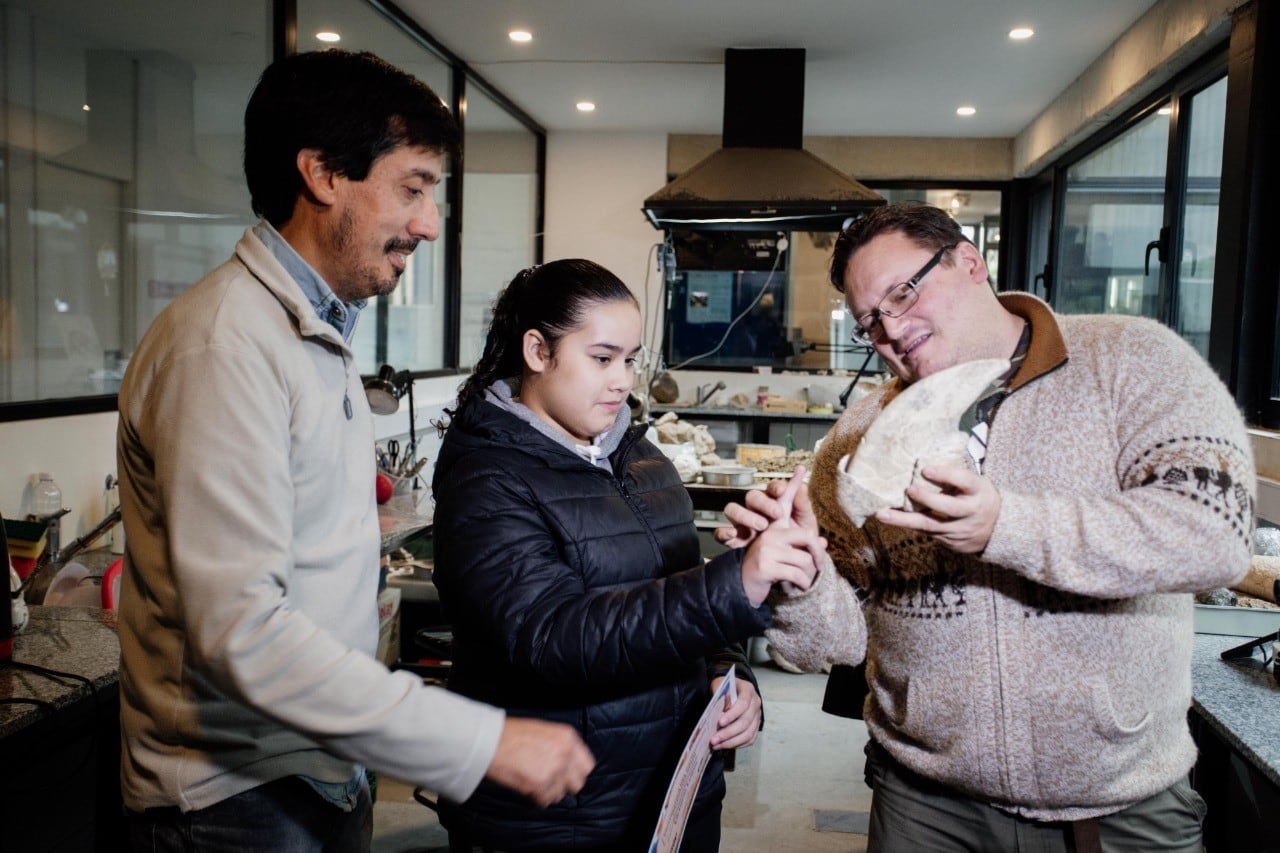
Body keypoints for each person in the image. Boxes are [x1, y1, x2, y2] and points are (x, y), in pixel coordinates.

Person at [115, 50, 593, 852]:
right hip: (234, 799)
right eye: (412, 187)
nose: (430, 223)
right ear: (323, 174)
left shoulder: (315, 330)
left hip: (315, 770)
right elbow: (243, 632)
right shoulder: (224, 345)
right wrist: (475, 740)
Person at [718, 202, 1255, 852]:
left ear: (970, 261)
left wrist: (1008, 525)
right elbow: (828, 642)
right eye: (870, 321)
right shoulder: (860, 436)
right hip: (925, 804)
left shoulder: (1132, 360)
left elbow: (1216, 532)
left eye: (904, 291)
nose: (890, 328)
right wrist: (797, 578)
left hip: (1117, 804)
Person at [430, 259, 825, 852]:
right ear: (538, 351)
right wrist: (732, 584)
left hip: (676, 795)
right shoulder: (487, 481)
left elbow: (681, 594)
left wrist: (730, 673)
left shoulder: (645, 462)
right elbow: (550, 638)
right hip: (560, 815)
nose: (622, 381)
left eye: (631, 359)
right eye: (601, 358)